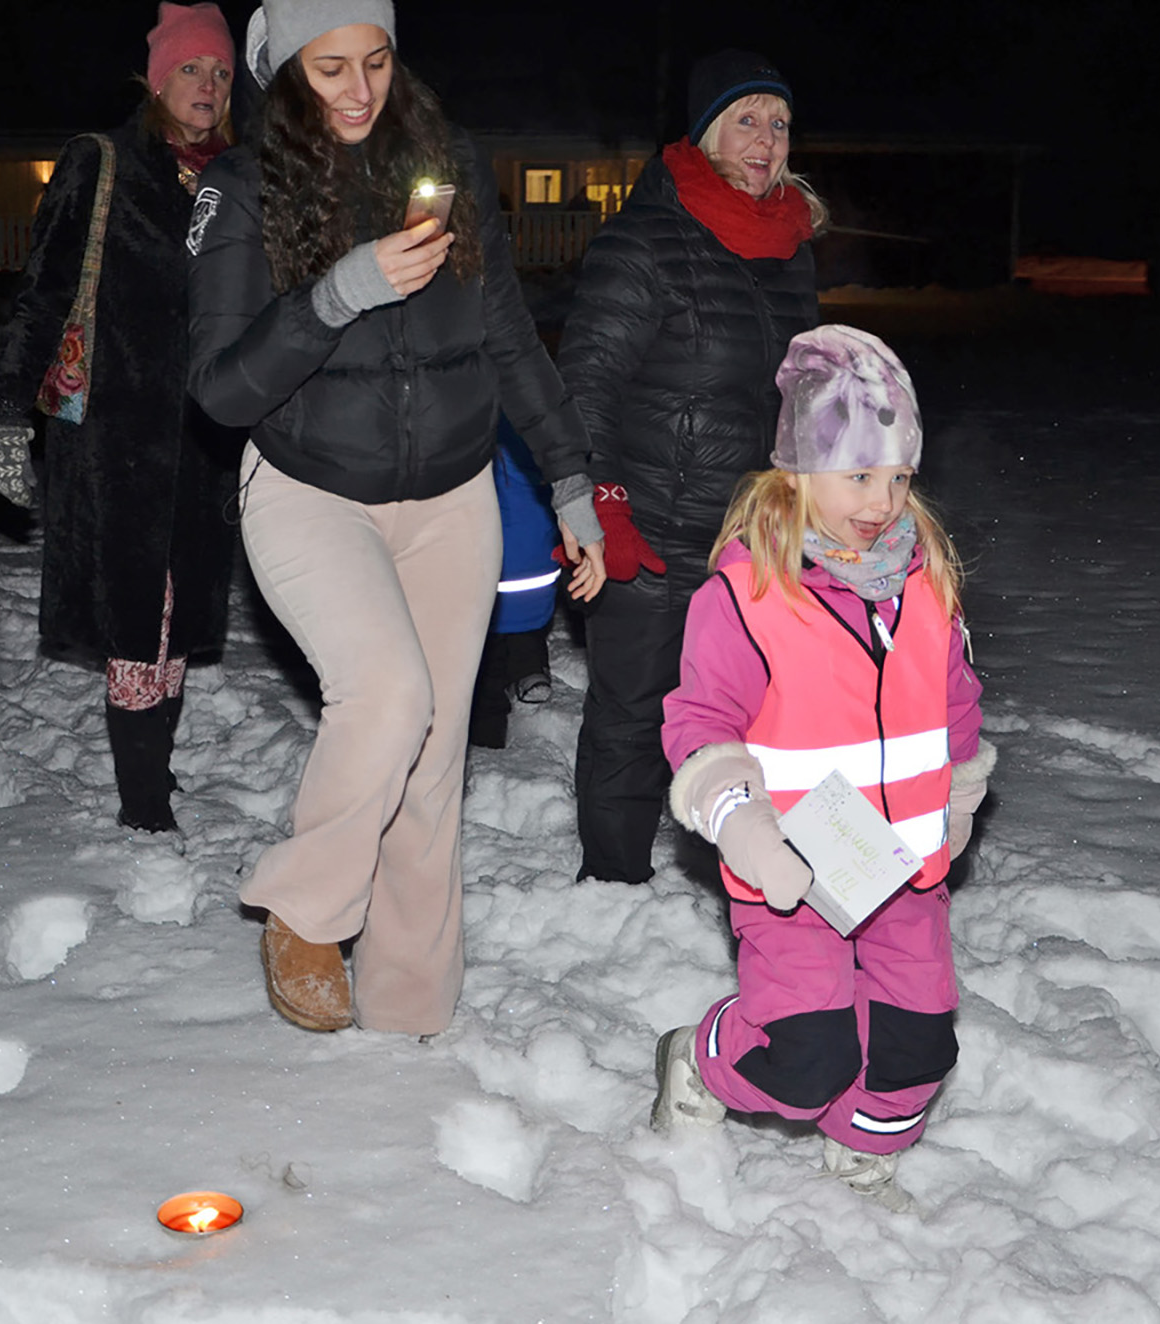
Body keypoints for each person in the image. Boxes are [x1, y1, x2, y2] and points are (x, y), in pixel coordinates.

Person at [187, 0, 607, 1038]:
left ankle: (408, 1012)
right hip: (309, 488)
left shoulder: (447, 162)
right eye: (330, 68)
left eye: (375, 61)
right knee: (387, 692)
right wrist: (335, 296)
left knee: (431, 762)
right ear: (286, 72)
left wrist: (569, 478)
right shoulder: (242, 188)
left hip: (451, 495)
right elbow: (221, 390)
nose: (359, 89)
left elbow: (507, 334)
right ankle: (303, 910)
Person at [652, 326, 996, 1210]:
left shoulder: (924, 585)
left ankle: (863, 1151)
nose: (883, 502)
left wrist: (959, 797)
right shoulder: (746, 596)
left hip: (902, 870)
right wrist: (743, 825)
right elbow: (699, 723)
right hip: (793, 871)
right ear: (798, 473)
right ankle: (701, 1059)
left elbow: (955, 703)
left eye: (899, 478)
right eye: (859, 476)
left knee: (919, 1044)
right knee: (807, 1056)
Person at [556, 49, 824, 885]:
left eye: (779, 124)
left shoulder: (790, 250)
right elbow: (584, 383)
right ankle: (612, 882)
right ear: (707, 133)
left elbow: (802, 394)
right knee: (635, 714)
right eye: (746, 120)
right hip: (655, 532)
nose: (766, 140)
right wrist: (602, 507)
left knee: (762, 716)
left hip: (756, 538)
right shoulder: (644, 241)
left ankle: (759, 878)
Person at [0, 2, 243, 834]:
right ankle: (143, 801)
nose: (207, 85)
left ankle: (153, 767)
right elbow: (43, 293)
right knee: (139, 614)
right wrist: (4, 415)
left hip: (209, 438)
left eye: (221, 72)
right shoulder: (102, 163)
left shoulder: (240, 179)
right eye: (191, 69)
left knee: (180, 617)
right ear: (157, 79)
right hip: (115, 435)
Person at [468, 414, 563, 750]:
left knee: (485, 655)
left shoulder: (470, 430)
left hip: (490, 580)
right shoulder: (543, 423)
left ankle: (485, 738)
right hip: (538, 578)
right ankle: (530, 667)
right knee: (522, 625)